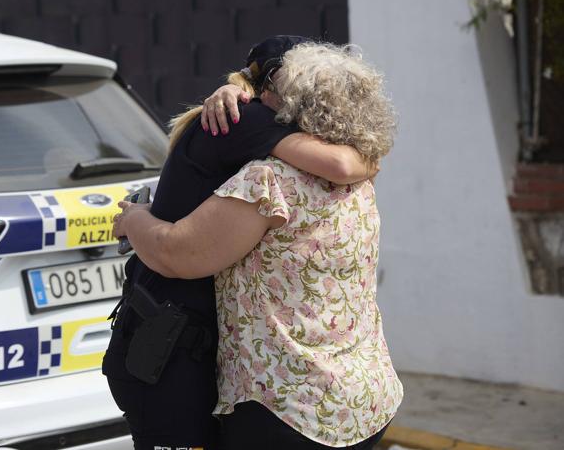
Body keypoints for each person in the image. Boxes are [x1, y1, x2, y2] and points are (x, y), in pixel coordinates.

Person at [113, 41, 403, 449]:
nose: (260, 97)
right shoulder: (360, 179)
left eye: (271, 89)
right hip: (366, 397)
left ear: (293, 105)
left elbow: (174, 254)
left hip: (290, 407)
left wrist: (132, 218)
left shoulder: (266, 182)